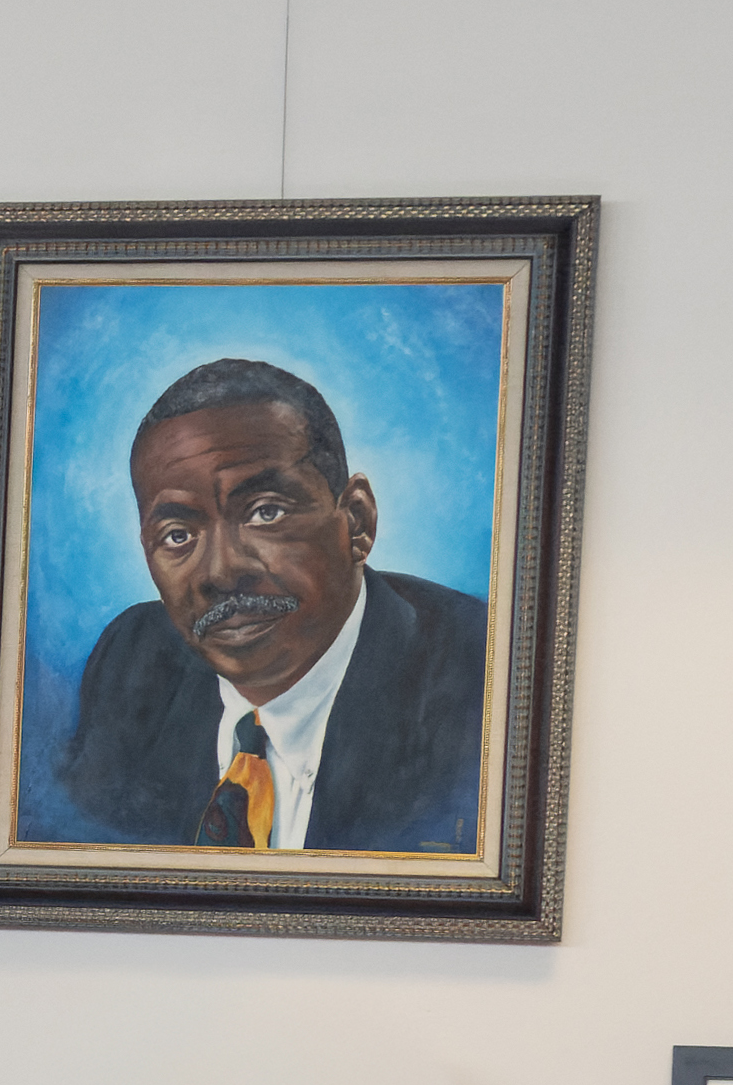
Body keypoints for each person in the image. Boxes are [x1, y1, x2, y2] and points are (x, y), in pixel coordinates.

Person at [47, 355, 495, 851]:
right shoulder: (132, 662)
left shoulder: (481, 679)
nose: (220, 571)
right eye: (177, 535)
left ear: (357, 522)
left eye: (265, 512)